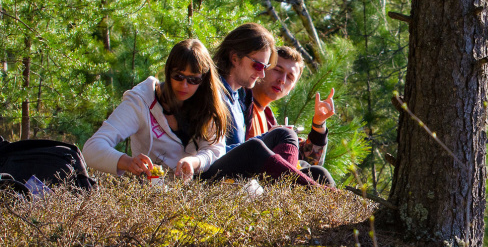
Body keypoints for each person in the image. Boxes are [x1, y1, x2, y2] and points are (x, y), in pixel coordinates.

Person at [83, 39, 229, 179]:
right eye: (178, 76)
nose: (184, 85)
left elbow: (215, 150)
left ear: (203, 80)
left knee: (251, 148)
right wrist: (128, 162)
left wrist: (194, 162)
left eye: (193, 79)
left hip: (201, 188)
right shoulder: (140, 102)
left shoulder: (207, 103)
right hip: (155, 192)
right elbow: (92, 149)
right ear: (167, 72)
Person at [199, 23, 318, 186]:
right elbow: (206, 151)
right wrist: (265, 142)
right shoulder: (212, 92)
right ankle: (291, 199)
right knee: (278, 137)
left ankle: (308, 195)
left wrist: (318, 127)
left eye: (266, 67)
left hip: (233, 175)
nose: (262, 73)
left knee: (318, 173)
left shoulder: (237, 98)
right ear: (234, 58)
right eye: (258, 65)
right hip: (206, 177)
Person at [241, 46, 336, 187]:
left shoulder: (268, 117)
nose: (282, 80)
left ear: (292, 88)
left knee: (318, 175)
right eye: (277, 70)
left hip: (259, 185)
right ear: (263, 70)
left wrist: (318, 123)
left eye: (290, 77)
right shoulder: (241, 100)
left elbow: (308, 162)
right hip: (236, 179)